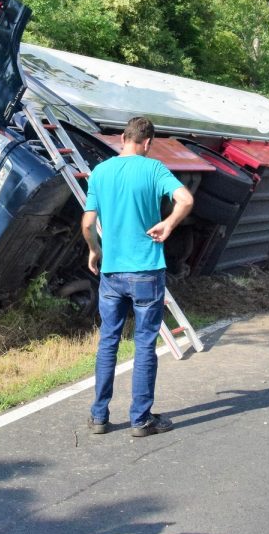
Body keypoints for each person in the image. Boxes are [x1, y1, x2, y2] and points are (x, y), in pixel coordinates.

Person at [82, 116, 193, 437]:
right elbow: (185, 199)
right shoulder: (154, 169)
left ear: (122, 138)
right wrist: (168, 225)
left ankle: (99, 416)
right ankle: (140, 420)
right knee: (144, 344)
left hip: (112, 273)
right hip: (146, 271)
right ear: (147, 143)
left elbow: (88, 223)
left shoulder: (100, 172)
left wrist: (94, 250)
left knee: (108, 342)